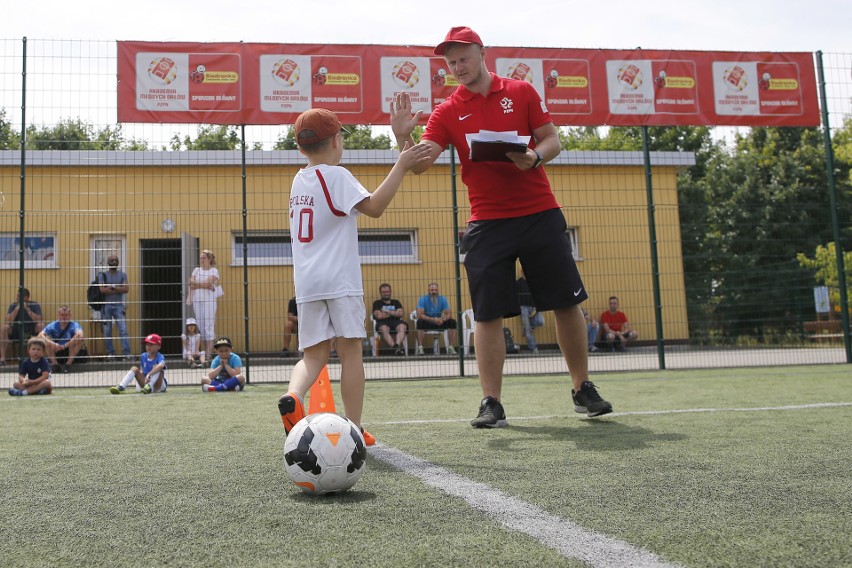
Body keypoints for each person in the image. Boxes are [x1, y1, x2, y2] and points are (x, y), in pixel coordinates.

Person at [390, 26, 613, 424]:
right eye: (451, 62)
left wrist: (535, 157)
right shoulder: (446, 111)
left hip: (539, 212)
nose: (458, 67)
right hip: (487, 222)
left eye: (463, 58)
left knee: (565, 302)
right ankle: (491, 402)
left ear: (482, 53)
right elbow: (420, 165)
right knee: (488, 313)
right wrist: (401, 138)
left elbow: (551, 139)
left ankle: (582, 388)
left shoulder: (521, 91)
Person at [276, 107, 431, 446]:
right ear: (336, 139)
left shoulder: (298, 179)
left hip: (307, 283)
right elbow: (374, 207)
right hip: (339, 282)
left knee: (313, 355)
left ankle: (294, 396)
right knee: (350, 353)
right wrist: (401, 165)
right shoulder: (336, 175)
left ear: (301, 148)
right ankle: (354, 428)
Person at [99, 254, 132, 360]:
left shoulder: (123, 275)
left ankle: (126, 353)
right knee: (107, 330)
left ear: (118, 262)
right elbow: (102, 290)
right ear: (108, 263)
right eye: (111, 260)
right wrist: (118, 288)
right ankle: (111, 354)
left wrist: (112, 287)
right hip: (106, 306)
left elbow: (126, 289)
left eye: (115, 260)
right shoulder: (102, 275)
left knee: (123, 329)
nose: (113, 262)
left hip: (119, 306)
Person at [189, 249, 220, 359]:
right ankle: (202, 351)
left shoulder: (214, 271)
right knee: (200, 326)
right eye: (201, 258)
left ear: (209, 259)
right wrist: (205, 285)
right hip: (198, 300)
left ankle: (208, 352)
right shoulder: (196, 270)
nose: (202, 260)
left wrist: (197, 284)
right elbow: (191, 284)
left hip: (209, 301)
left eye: (204, 258)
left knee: (208, 325)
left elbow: (207, 282)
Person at [0, 288, 45, 365]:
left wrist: (27, 309)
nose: (17, 298)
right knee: (4, 327)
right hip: (16, 331)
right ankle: (3, 358)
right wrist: (17, 309)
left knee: (41, 325)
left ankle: (40, 358)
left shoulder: (35, 305)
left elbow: (39, 320)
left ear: (26, 297)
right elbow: (7, 321)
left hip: (31, 331)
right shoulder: (13, 305)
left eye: (19, 296)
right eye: (17, 296)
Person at [39, 305, 85, 374]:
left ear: (70, 315)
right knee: (45, 339)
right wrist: (53, 344)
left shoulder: (74, 325)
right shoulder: (53, 325)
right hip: (56, 351)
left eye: (66, 315)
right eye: (62, 315)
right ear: (58, 315)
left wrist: (65, 345)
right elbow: (39, 336)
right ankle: (55, 364)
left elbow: (80, 335)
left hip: (69, 351)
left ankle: (68, 364)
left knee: (78, 341)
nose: (64, 317)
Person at [415, 283, 458, 355]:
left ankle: (450, 347)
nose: (434, 292)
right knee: (419, 322)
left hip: (439, 322)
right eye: (432, 290)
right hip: (427, 321)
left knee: (452, 322)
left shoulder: (443, 299)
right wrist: (433, 319)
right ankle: (420, 348)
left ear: (438, 290)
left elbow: (449, 314)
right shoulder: (422, 299)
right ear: (428, 290)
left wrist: (442, 319)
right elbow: (420, 315)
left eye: (435, 290)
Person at [372, 283, 407, 355]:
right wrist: (394, 313)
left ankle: (396, 346)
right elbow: (379, 316)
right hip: (382, 323)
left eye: (387, 292)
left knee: (402, 326)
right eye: (384, 292)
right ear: (380, 293)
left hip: (396, 322)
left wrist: (386, 312)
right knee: (384, 328)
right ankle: (396, 349)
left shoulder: (396, 302)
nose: (386, 294)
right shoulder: (377, 303)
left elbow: (401, 313)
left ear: (390, 292)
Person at [517, 272, 544, 353]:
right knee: (528, 330)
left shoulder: (534, 281)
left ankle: (527, 329)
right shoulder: (519, 282)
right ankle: (534, 348)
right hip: (523, 308)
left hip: (534, 307)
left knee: (540, 322)